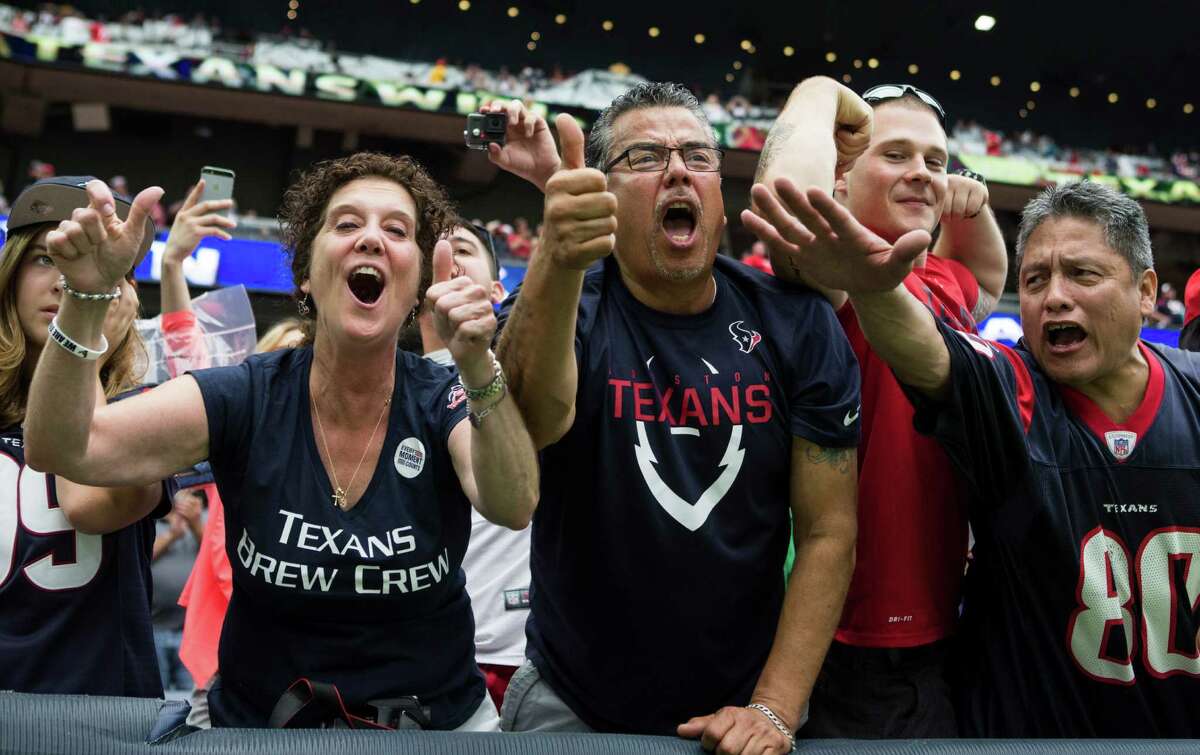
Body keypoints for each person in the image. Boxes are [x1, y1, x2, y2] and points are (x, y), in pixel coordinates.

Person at [24, 153, 540, 729]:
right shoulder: (247, 396)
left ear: (419, 281)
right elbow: (66, 448)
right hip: (261, 729)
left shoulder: (444, 397)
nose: (370, 238)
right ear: (305, 272)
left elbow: (514, 503)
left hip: (437, 729)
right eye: (345, 224)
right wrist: (85, 300)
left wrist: (477, 365)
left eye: (396, 230)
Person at [748, 175, 1200, 736]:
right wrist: (873, 287)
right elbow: (928, 350)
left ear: (1147, 291)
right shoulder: (1011, 388)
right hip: (1023, 741)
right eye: (1035, 279)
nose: (1054, 295)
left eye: (1082, 274)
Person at [490, 86, 860, 754]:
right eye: (645, 156)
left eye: (698, 155)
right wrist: (558, 253)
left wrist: (774, 707)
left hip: (742, 709)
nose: (679, 169)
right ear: (603, 191)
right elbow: (528, 423)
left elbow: (830, 529)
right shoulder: (566, 299)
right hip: (572, 704)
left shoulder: (796, 324)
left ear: (720, 196)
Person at [746, 78, 1006, 737]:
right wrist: (815, 92)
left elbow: (993, 275)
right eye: (895, 154)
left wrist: (971, 205)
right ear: (841, 174)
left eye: (937, 161)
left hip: (949, 625)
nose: (922, 174)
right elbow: (791, 203)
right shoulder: (832, 280)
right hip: (848, 639)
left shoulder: (941, 277)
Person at [0, 176, 167, 697]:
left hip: (95, 721)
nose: (66, 282)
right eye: (48, 259)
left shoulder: (152, 410)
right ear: (10, 275)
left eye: (98, 268)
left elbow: (90, 503)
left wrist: (84, 331)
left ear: (126, 297)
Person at [417, 219, 528, 711]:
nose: (446, 260)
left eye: (460, 249)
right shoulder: (383, 391)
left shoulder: (523, 386)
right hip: (423, 658)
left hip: (515, 658)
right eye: (432, 251)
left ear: (498, 291)